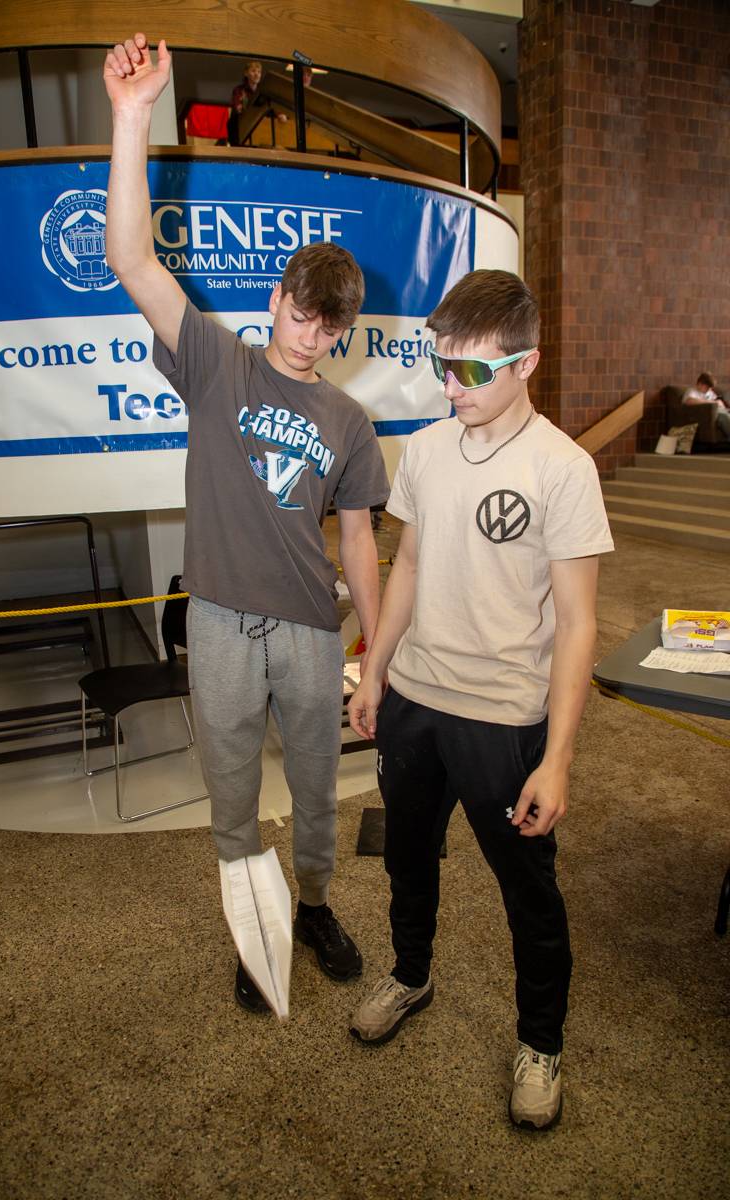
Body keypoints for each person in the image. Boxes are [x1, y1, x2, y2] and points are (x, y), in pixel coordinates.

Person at [103, 34, 389, 1013]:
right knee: (231, 796)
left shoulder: (349, 422)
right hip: (219, 618)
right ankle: (251, 918)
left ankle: (308, 903)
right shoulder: (216, 363)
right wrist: (133, 116)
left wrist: (375, 658)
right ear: (276, 300)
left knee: (314, 800)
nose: (308, 332)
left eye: (327, 325)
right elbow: (130, 259)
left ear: (341, 333)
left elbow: (357, 539)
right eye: (299, 312)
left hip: (311, 630)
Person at [347, 269, 614, 1131]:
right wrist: (376, 667)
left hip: (504, 718)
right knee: (406, 856)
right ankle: (412, 973)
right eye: (440, 365)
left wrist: (560, 756)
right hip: (416, 702)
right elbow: (411, 567)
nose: (450, 387)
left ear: (526, 363)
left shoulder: (564, 469)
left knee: (526, 891)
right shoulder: (424, 450)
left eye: (472, 372)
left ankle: (541, 1042)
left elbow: (576, 625)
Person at [683, 372, 730, 440]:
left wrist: (721, 404)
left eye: (710, 388)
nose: (709, 390)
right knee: (724, 416)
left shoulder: (709, 392)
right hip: (705, 416)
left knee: (727, 415)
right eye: (707, 387)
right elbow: (689, 401)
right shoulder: (692, 391)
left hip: (718, 412)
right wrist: (713, 402)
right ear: (700, 384)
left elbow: (718, 402)